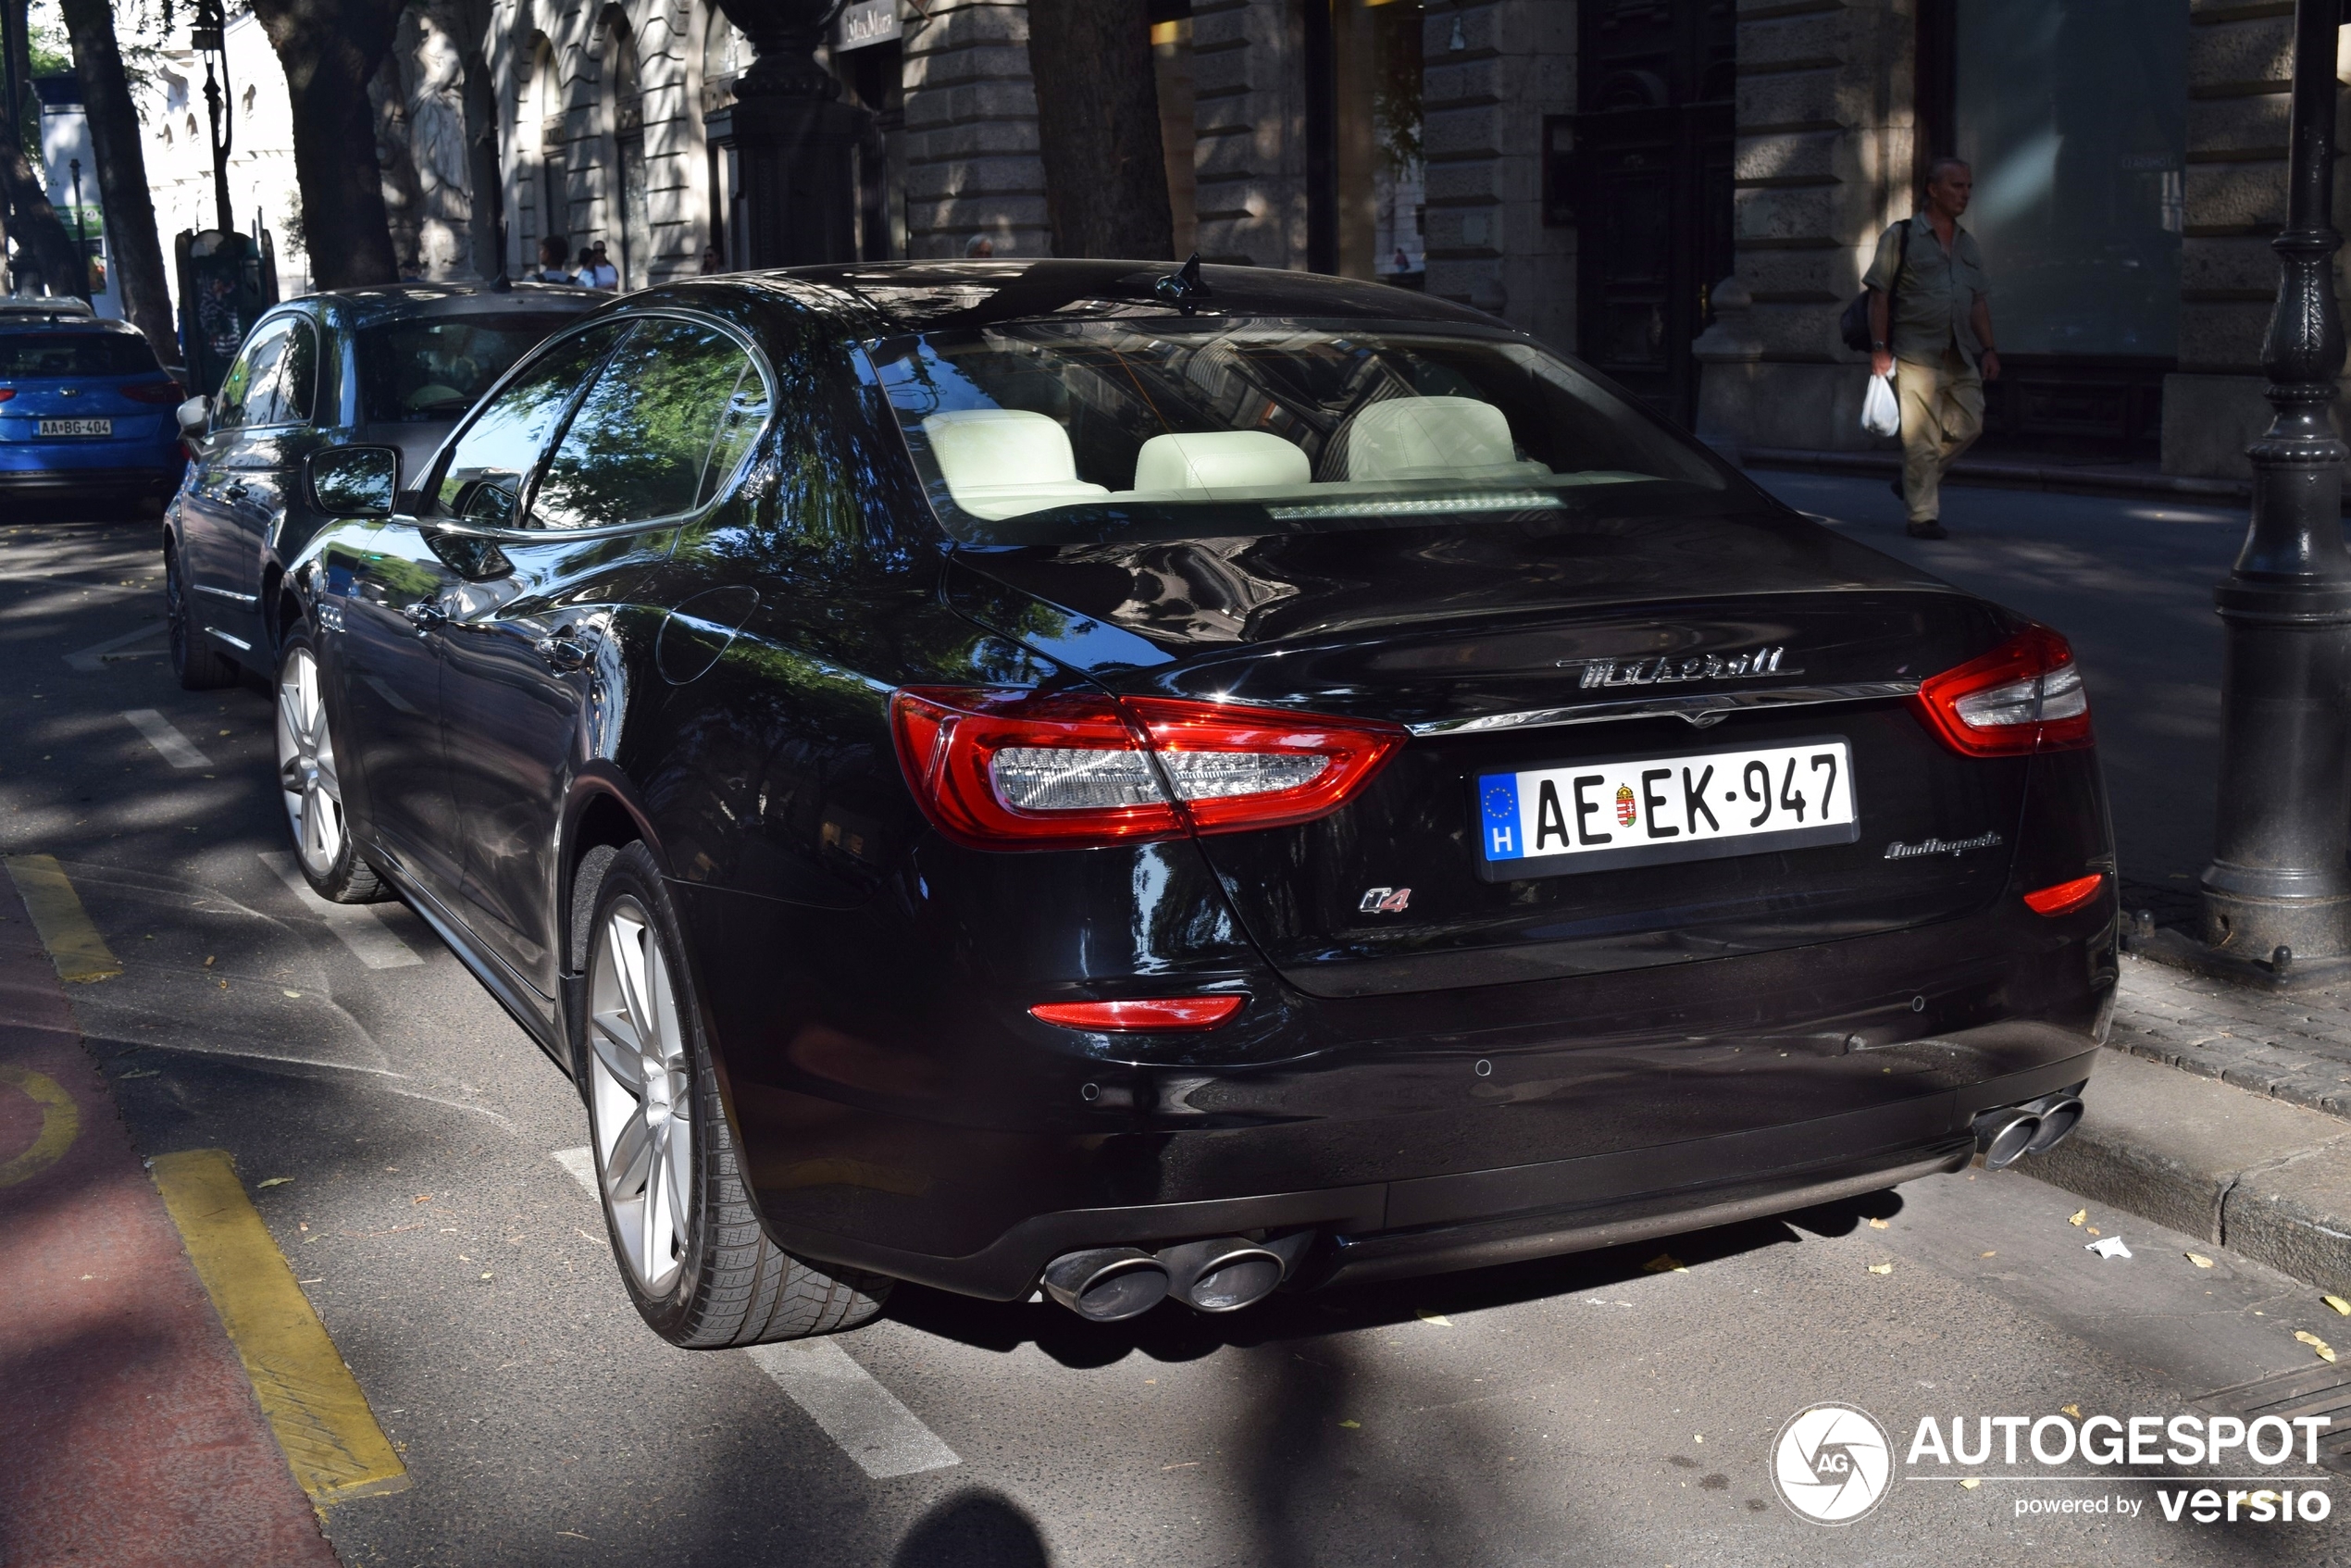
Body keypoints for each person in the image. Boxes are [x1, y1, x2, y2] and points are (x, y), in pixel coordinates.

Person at [1863, 157, 2000, 541]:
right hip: (1915, 353)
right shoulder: (1901, 235)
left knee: (1971, 423)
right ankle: (1922, 516)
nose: (1966, 194)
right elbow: (1880, 295)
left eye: (1969, 186)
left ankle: (1912, 480)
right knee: (1920, 439)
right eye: (1957, 186)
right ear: (1933, 190)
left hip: (1959, 351)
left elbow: (1977, 301)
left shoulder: (1967, 243)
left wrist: (1989, 348)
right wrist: (1879, 348)